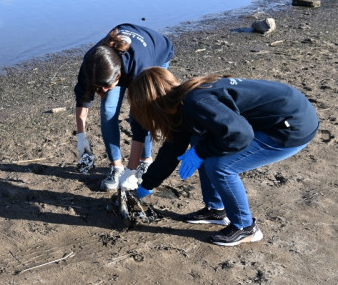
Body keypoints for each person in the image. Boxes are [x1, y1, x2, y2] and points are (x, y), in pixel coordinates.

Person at [124, 68, 319, 246]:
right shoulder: (181, 103)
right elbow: (171, 151)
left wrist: (200, 152)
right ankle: (216, 210)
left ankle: (246, 227)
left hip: (293, 125)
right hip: (282, 110)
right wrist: (146, 186)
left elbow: (241, 135)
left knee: (220, 166)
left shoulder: (195, 102)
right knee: (201, 144)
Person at [73, 24, 174, 191]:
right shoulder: (91, 63)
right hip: (117, 63)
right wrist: (81, 136)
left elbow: (142, 122)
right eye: (99, 86)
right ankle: (116, 167)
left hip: (157, 52)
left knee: (139, 115)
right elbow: (82, 97)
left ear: (119, 75)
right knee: (108, 111)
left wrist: (131, 171)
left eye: (107, 86)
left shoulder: (141, 68)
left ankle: (145, 162)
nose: (103, 91)